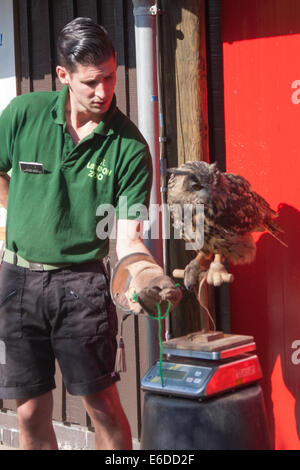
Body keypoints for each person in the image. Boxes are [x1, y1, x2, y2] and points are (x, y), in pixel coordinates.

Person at [0, 17, 181, 450]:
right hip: (17, 281)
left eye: (110, 76)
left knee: (101, 406)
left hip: (81, 285)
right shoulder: (23, 114)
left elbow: (128, 238)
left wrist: (146, 276)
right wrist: (23, 211)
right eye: (90, 81)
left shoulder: (130, 149)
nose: (103, 91)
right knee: (27, 412)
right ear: (63, 75)